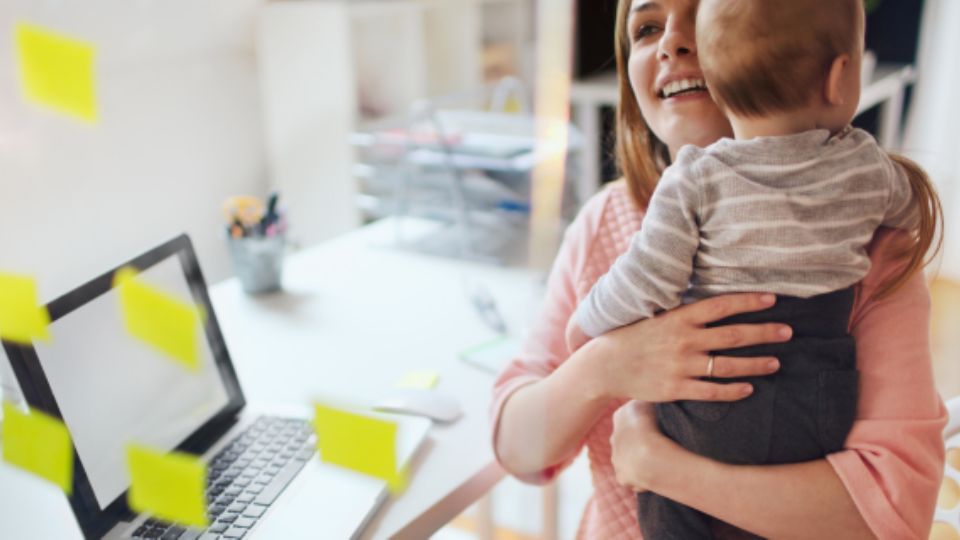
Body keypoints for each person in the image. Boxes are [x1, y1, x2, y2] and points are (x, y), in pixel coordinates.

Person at [490, 0, 946, 538]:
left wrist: (662, 468)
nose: (672, 43)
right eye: (647, 27)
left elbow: (896, 513)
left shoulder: (871, 247)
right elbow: (517, 450)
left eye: (704, 13)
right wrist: (603, 366)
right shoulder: (603, 222)